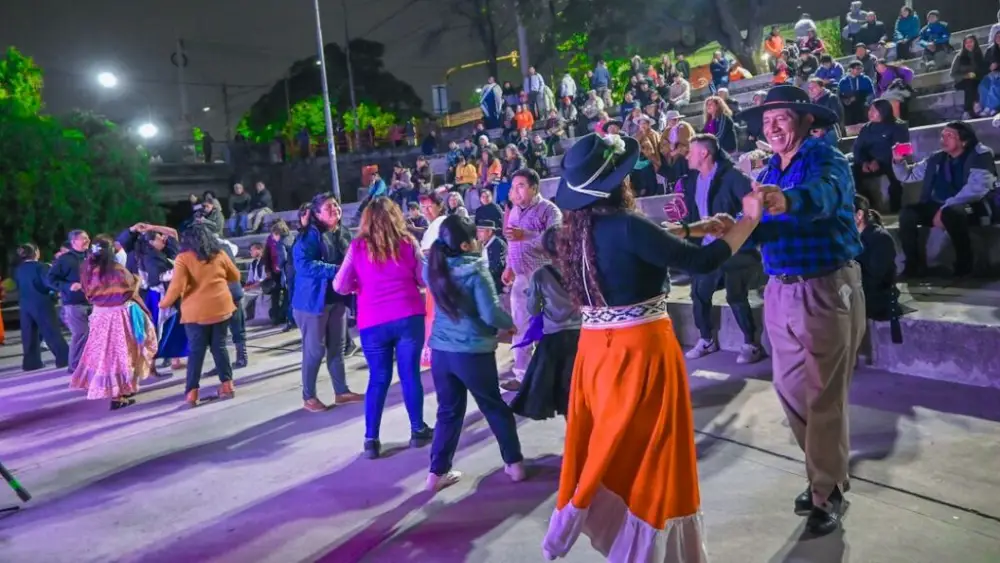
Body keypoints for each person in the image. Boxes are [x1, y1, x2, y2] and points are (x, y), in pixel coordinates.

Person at [541, 132, 762, 560]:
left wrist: (692, 228)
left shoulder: (570, 231)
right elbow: (700, 262)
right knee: (656, 454)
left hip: (597, 354)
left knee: (614, 446)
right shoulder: (627, 225)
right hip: (641, 352)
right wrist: (746, 220)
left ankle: (620, 535)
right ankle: (648, 551)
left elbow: (635, 244)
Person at [735, 85, 866, 536]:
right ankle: (824, 475)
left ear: (807, 120)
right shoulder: (771, 168)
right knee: (792, 392)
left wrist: (784, 200)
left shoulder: (826, 159)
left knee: (824, 396)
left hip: (825, 287)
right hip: (779, 291)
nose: (771, 127)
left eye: (781, 118)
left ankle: (826, 490)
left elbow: (824, 197)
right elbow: (759, 234)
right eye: (766, 120)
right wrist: (719, 232)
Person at [424, 214, 526, 491]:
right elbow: (490, 312)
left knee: (448, 412)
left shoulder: (434, 267)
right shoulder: (475, 271)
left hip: (442, 353)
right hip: (472, 352)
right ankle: (514, 464)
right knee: (494, 406)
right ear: (467, 245)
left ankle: (436, 473)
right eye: (475, 236)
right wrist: (511, 325)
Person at [333, 197, 433, 458]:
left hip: (372, 322)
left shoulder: (357, 247)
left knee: (378, 379)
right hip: (408, 315)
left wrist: (359, 286)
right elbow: (424, 279)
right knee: (410, 375)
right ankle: (417, 430)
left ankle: (371, 440)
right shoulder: (408, 243)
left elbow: (339, 285)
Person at [680, 134, 765, 364]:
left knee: (736, 295)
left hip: (735, 249)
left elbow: (752, 208)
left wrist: (733, 226)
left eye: (691, 150)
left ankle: (751, 343)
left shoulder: (733, 176)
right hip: (709, 250)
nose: (687, 154)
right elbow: (695, 214)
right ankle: (706, 339)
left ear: (704, 153)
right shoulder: (693, 180)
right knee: (699, 294)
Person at [892, 121, 997, 278]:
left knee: (952, 213)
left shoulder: (981, 154)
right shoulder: (936, 158)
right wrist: (898, 161)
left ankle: (964, 265)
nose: (943, 139)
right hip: (939, 206)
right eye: (942, 135)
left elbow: (976, 189)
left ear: (964, 140)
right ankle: (912, 265)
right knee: (907, 214)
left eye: (950, 136)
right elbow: (908, 175)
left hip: (972, 206)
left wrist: (944, 209)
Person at [292, 193, 364, 411]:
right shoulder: (309, 235)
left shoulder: (342, 232)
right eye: (328, 207)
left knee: (337, 348)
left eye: (336, 206)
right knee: (314, 350)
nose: (335, 210)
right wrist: (337, 270)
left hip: (337, 299)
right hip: (313, 302)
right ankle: (309, 396)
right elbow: (304, 265)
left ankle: (341, 392)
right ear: (316, 214)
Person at [70, 235, 158, 410]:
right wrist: (138, 280)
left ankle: (119, 391)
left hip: (99, 316)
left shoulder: (87, 269)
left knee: (105, 356)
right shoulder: (116, 269)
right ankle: (120, 394)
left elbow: (88, 293)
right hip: (119, 315)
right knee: (123, 354)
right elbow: (129, 290)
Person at [159, 223, 242, 408]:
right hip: (221, 309)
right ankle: (227, 386)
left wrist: (163, 303)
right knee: (219, 347)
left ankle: (192, 393)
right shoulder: (220, 254)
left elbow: (176, 287)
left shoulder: (183, 258)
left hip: (197, 313)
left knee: (196, 352)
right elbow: (235, 275)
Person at [509, 226, 581, 421]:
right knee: (580, 391)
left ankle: (574, 440)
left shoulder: (540, 275)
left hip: (554, 339)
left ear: (545, 249)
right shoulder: (581, 268)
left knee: (563, 393)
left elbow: (533, 309)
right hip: (583, 336)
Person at [502, 168, 563, 384]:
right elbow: (512, 240)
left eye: (520, 186)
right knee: (520, 326)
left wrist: (526, 235)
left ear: (534, 187)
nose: (515, 192)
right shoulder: (515, 210)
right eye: (513, 187)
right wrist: (509, 265)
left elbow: (556, 240)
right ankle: (523, 377)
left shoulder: (549, 210)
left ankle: (557, 375)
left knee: (550, 327)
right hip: (520, 278)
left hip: (546, 278)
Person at [13, 243, 69, 371]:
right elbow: (49, 283)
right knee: (51, 331)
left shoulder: (18, 269)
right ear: (36, 252)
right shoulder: (41, 267)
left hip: (25, 303)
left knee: (29, 333)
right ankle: (64, 358)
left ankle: (31, 362)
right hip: (41, 302)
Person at [852, 99, 910, 212]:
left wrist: (879, 160)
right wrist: (863, 162)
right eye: (870, 110)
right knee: (852, 172)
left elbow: (903, 149)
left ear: (884, 111)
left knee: (896, 178)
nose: (870, 113)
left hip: (891, 161)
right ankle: (867, 206)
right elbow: (857, 148)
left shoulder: (899, 126)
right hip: (869, 162)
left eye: (874, 110)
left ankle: (896, 210)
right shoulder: (866, 128)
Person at [853, 195, 901, 326]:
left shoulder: (880, 238)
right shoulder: (849, 239)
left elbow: (876, 278)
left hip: (877, 297)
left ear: (859, 215)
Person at [48, 229, 91, 372]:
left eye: (87, 238)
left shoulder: (91, 257)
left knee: (93, 335)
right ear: (73, 242)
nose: (87, 241)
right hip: (74, 303)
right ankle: (74, 366)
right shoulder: (65, 259)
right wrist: (67, 286)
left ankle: (89, 365)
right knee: (80, 334)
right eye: (83, 238)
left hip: (94, 302)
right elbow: (51, 279)